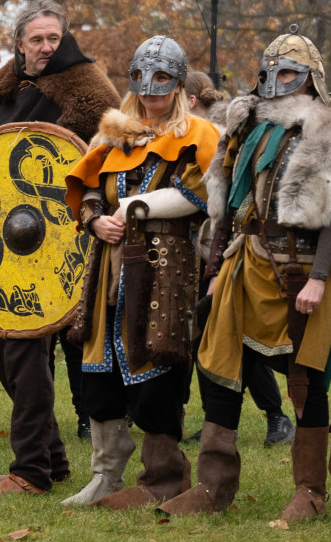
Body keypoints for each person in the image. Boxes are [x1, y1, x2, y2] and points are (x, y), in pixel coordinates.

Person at [158, 30, 331, 521]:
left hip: (303, 266)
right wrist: (215, 268)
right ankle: (212, 489)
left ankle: (310, 493)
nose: (277, 82)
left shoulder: (328, 126)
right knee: (219, 366)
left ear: (312, 78)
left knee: (304, 378)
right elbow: (228, 206)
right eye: (269, 72)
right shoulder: (246, 123)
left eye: (290, 73)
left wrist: (319, 277)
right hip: (245, 258)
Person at [0, 0, 120, 496]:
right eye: (36, 39)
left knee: (26, 349)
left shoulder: (88, 90)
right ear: (19, 44)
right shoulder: (4, 90)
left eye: (54, 38)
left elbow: (97, 158)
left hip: (55, 233)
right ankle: (53, 459)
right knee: (0, 348)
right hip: (3, 231)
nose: (47, 47)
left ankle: (29, 470)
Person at [62, 36, 220, 507]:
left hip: (164, 269)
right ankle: (106, 475)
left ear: (178, 82)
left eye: (163, 80)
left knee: (156, 365)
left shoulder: (196, 134)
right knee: (100, 369)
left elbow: (201, 193)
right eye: (143, 79)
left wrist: (132, 207)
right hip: (108, 266)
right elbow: (89, 188)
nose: (152, 90)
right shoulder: (113, 133)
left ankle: (165, 477)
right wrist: (94, 219)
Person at [183, 69, 295, 448]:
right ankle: (214, 415)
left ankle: (276, 415)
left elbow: (227, 196)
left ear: (191, 100)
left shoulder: (218, 133)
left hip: (226, 244)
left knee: (240, 335)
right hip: (194, 246)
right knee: (206, 335)